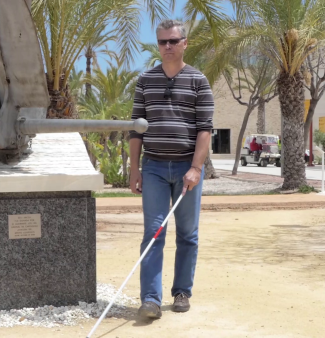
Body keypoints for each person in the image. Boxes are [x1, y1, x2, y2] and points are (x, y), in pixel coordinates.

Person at [128, 19, 214, 320]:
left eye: (173, 41)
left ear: (184, 43)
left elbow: (205, 129)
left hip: (185, 169)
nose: (167, 46)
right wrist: (134, 170)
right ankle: (150, 299)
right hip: (152, 168)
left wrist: (195, 167)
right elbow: (136, 130)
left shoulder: (199, 81)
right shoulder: (145, 81)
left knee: (188, 234)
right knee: (154, 233)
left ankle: (181, 292)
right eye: (162, 41)